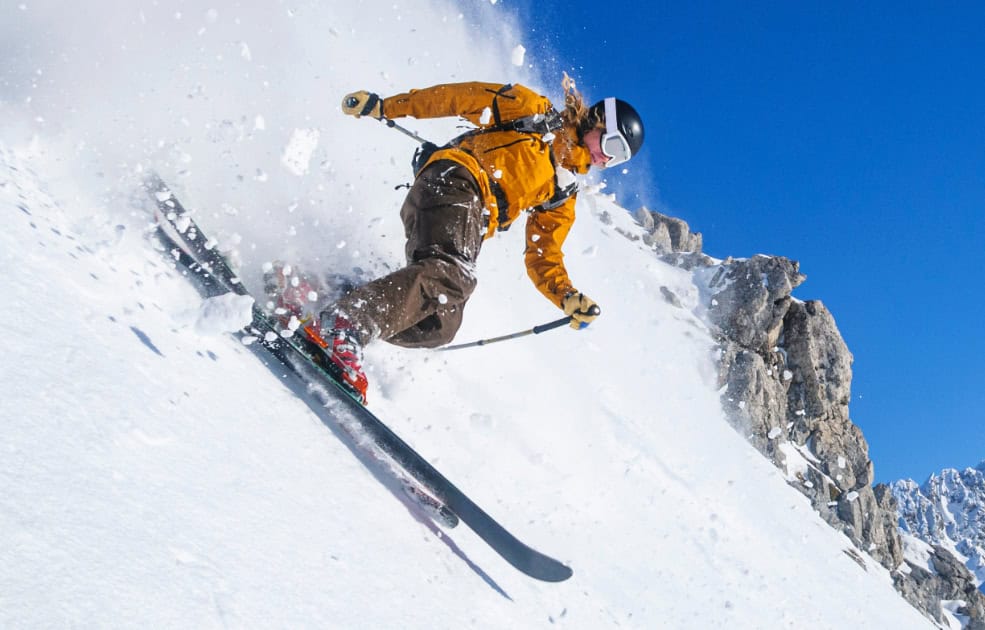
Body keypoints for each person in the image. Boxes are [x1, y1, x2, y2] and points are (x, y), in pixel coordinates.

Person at [282, 76, 644, 404]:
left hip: (470, 221)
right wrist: (386, 106)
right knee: (453, 278)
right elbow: (457, 98)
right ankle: (345, 325)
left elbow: (542, 253)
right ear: (596, 121)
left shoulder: (562, 191)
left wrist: (565, 296)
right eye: (611, 144)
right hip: (454, 181)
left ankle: (334, 293)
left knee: (441, 323)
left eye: (617, 159)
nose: (605, 158)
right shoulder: (534, 113)